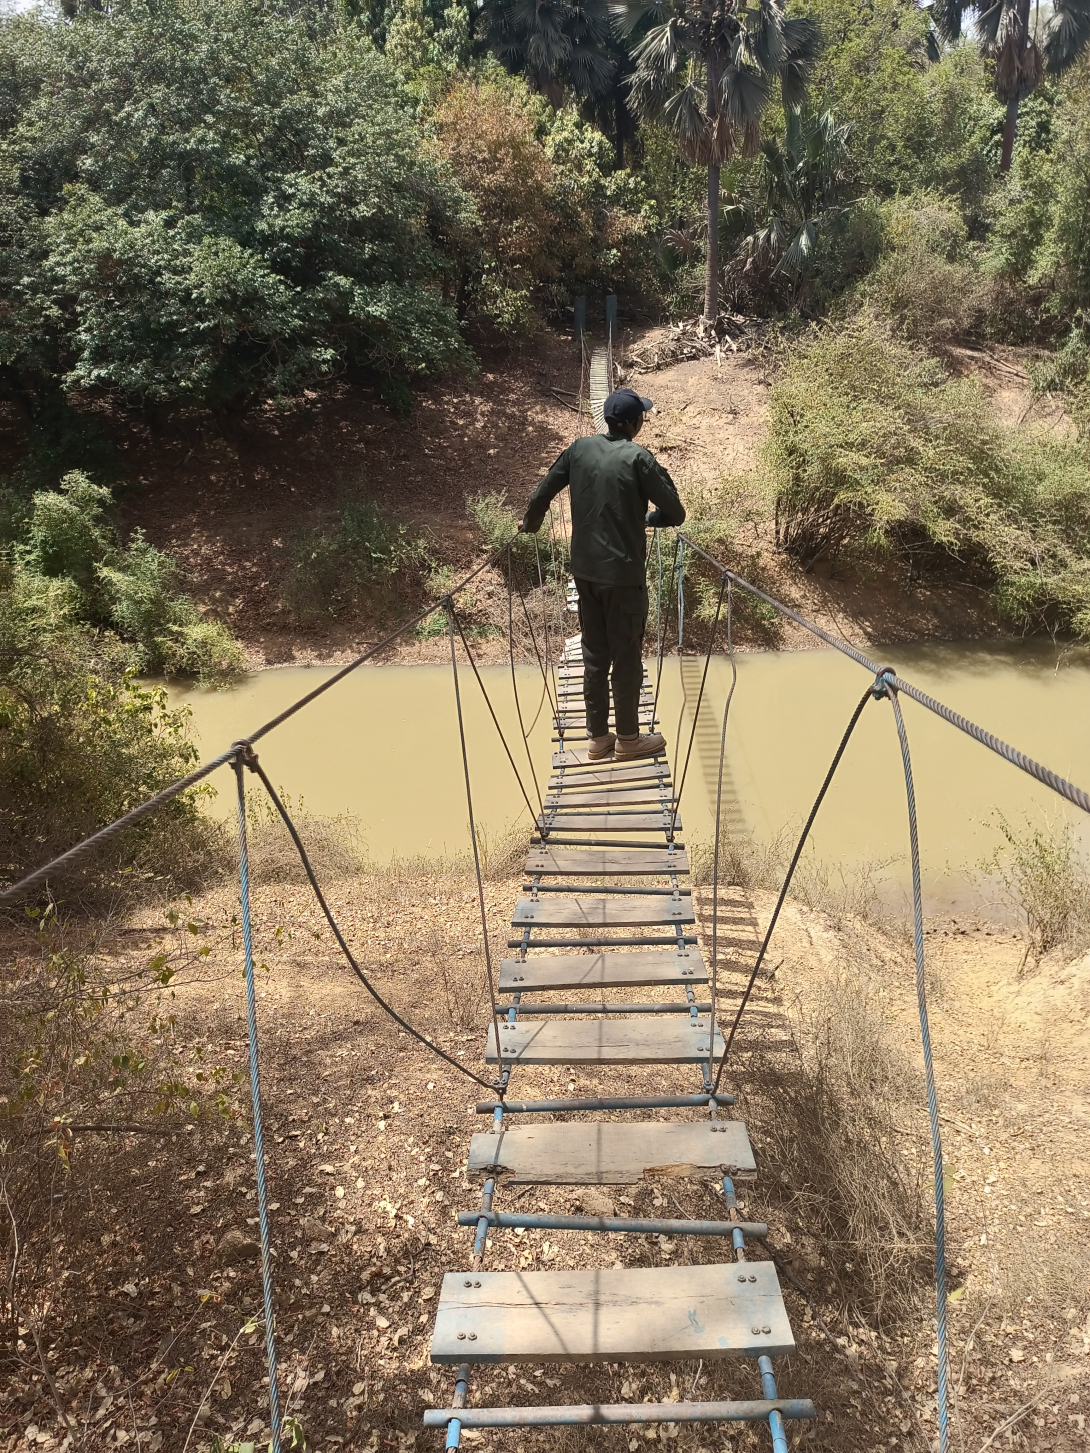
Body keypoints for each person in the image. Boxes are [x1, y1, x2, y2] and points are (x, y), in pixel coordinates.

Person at [519, 387, 686, 761]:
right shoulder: (638, 457)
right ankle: (628, 740)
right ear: (631, 423)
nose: (642, 422)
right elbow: (675, 513)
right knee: (626, 656)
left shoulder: (578, 450)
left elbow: (542, 492)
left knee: (595, 654)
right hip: (623, 579)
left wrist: (530, 524)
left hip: (585, 574)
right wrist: (650, 518)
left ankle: (598, 739)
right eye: (641, 417)